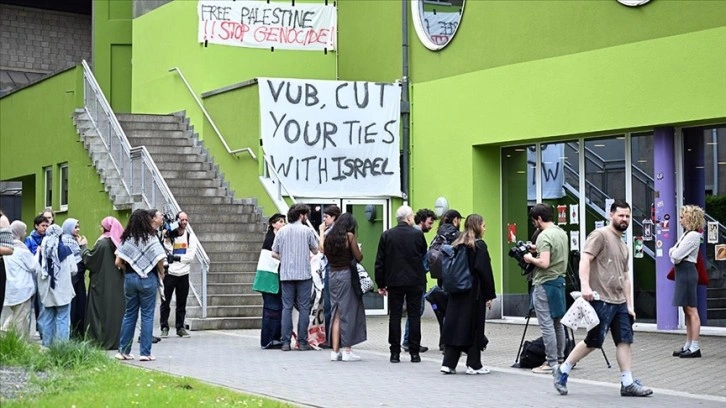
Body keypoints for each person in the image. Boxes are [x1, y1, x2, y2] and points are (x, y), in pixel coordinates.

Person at [553, 200, 653, 397]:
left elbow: (625, 278)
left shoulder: (624, 245)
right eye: (621, 215)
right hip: (600, 299)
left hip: (619, 302)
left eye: (627, 216)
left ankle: (627, 383)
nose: (624, 219)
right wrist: (585, 287)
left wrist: (630, 305)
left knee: (625, 340)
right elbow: (585, 258)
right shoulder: (600, 236)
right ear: (611, 215)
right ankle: (563, 371)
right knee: (593, 342)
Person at [440, 214, 496, 375]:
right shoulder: (479, 246)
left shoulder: (457, 243)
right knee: (474, 327)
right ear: (477, 226)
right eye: (484, 225)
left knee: (454, 326)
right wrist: (489, 295)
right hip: (473, 293)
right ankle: (474, 364)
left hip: (456, 292)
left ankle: (448, 363)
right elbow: (485, 272)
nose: (485, 229)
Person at [375, 205, 428, 363]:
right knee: (414, 316)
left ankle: (395, 353)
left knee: (395, 316)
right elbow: (423, 255)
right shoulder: (417, 235)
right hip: (415, 281)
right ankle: (414, 352)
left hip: (394, 281)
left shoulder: (387, 235)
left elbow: (380, 262)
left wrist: (381, 283)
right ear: (409, 217)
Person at [115, 209, 166, 361]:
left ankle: (123, 351)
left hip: (130, 279)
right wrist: (161, 273)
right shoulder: (151, 238)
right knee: (147, 315)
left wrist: (129, 271)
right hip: (148, 279)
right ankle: (145, 353)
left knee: (129, 314)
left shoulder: (128, 239)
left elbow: (118, 262)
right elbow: (159, 260)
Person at [523, 203, 568, 374]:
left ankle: (550, 363)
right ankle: (561, 359)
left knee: (547, 325)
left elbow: (544, 262)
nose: (535, 224)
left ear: (539, 219)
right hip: (559, 282)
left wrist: (530, 258)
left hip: (545, 283)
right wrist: (535, 249)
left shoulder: (543, 236)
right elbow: (552, 252)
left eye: (534, 221)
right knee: (558, 323)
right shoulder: (561, 233)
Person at [271, 204, 320, 351]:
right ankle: (302, 341)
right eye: (305, 214)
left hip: (286, 274)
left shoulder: (282, 231)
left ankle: (286, 342)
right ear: (301, 215)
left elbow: (274, 253)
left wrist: (285, 258)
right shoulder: (307, 231)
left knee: (286, 307)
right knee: (304, 307)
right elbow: (316, 250)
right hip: (304, 274)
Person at [325, 213, 366, 362]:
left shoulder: (329, 237)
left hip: (332, 274)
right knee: (347, 311)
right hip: (346, 275)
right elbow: (358, 257)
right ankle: (347, 350)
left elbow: (323, 252)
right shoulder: (349, 237)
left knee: (336, 312)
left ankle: (335, 351)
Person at [669, 205, 706, 358]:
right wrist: (673, 253)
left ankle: (695, 346)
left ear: (690, 218)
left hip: (687, 273)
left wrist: (673, 253)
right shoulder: (688, 234)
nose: (680, 219)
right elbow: (674, 252)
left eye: (682, 216)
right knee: (686, 310)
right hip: (683, 273)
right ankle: (689, 344)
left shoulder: (692, 236)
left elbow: (675, 255)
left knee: (691, 310)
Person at [84, 216, 125, 350]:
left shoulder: (103, 244)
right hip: (117, 284)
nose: (100, 228)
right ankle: (115, 341)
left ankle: (100, 341)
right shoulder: (119, 243)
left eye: (102, 226)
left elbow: (90, 261)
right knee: (114, 313)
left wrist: (83, 248)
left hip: (101, 284)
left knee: (100, 312)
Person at [402, 208, 437, 353]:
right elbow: (421, 259)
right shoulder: (417, 235)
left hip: (408, 278)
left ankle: (408, 340)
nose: (431, 226)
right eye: (429, 223)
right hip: (417, 279)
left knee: (414, 311)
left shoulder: (410, 234)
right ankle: (410, 341)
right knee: (416, 310)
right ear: (422, 221)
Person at [37, 224, 77, 347]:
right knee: (63, 319)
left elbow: (36, 269)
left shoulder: (42, 252)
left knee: (48, 318)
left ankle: (46, 346)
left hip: (47, 291)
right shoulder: (66, 250)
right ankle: (61, 348)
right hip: (63, 291)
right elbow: (73, 269)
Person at [159, 211, 197, 338]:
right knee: (165, 302)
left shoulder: (190, 236)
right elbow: (166, 252)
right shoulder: (170, 236)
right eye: (182, 220)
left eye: (186, 219)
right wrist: (168, 237)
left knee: (182, 303)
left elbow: (190, 256)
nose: (184, 222)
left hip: (183, 274)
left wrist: (176, 258)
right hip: (170, 273)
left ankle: (180, 327)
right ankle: (164, 327)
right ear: (176, 221)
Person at [256, 213, 286, 349]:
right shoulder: (271, 240)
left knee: (274, 309)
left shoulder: (273, 238)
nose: (283, 224)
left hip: (272, 278)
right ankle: (269, 339)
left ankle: (273, 338)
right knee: (271, 309)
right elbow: (272, 259)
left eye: (284, 221)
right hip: (271, 278)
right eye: (280, 221)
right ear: (273, 224)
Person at [2, 219, 32, 339]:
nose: (25, 233)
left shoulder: (5, 247)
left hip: (10, 288)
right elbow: (34, 266)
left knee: (14, 315)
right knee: (21, 317)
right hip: (22, 289)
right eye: (24, 231)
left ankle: (4, 335)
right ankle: (20, 342)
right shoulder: (21, 249)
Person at [318, 205, 341, 348]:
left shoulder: (331, 232)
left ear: (333, 217)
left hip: (331, 269)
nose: (324, 220)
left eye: (326, 217)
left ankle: (330, 338)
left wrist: (321, 232)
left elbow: (322, 248)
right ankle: (337, 337)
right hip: (340, 270)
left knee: (329, 305)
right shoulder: (342, 231)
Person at [62, 218, 88, 339]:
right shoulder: (67, 241)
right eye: (75, 227)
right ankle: (73, 333)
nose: (78, 229)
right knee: (73, 306)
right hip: (72, 278)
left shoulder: (74, 240)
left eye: (78, 226)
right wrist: (83, 246)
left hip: (78, 279)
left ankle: (78, 333)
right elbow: (79, 259)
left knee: (80, 305)